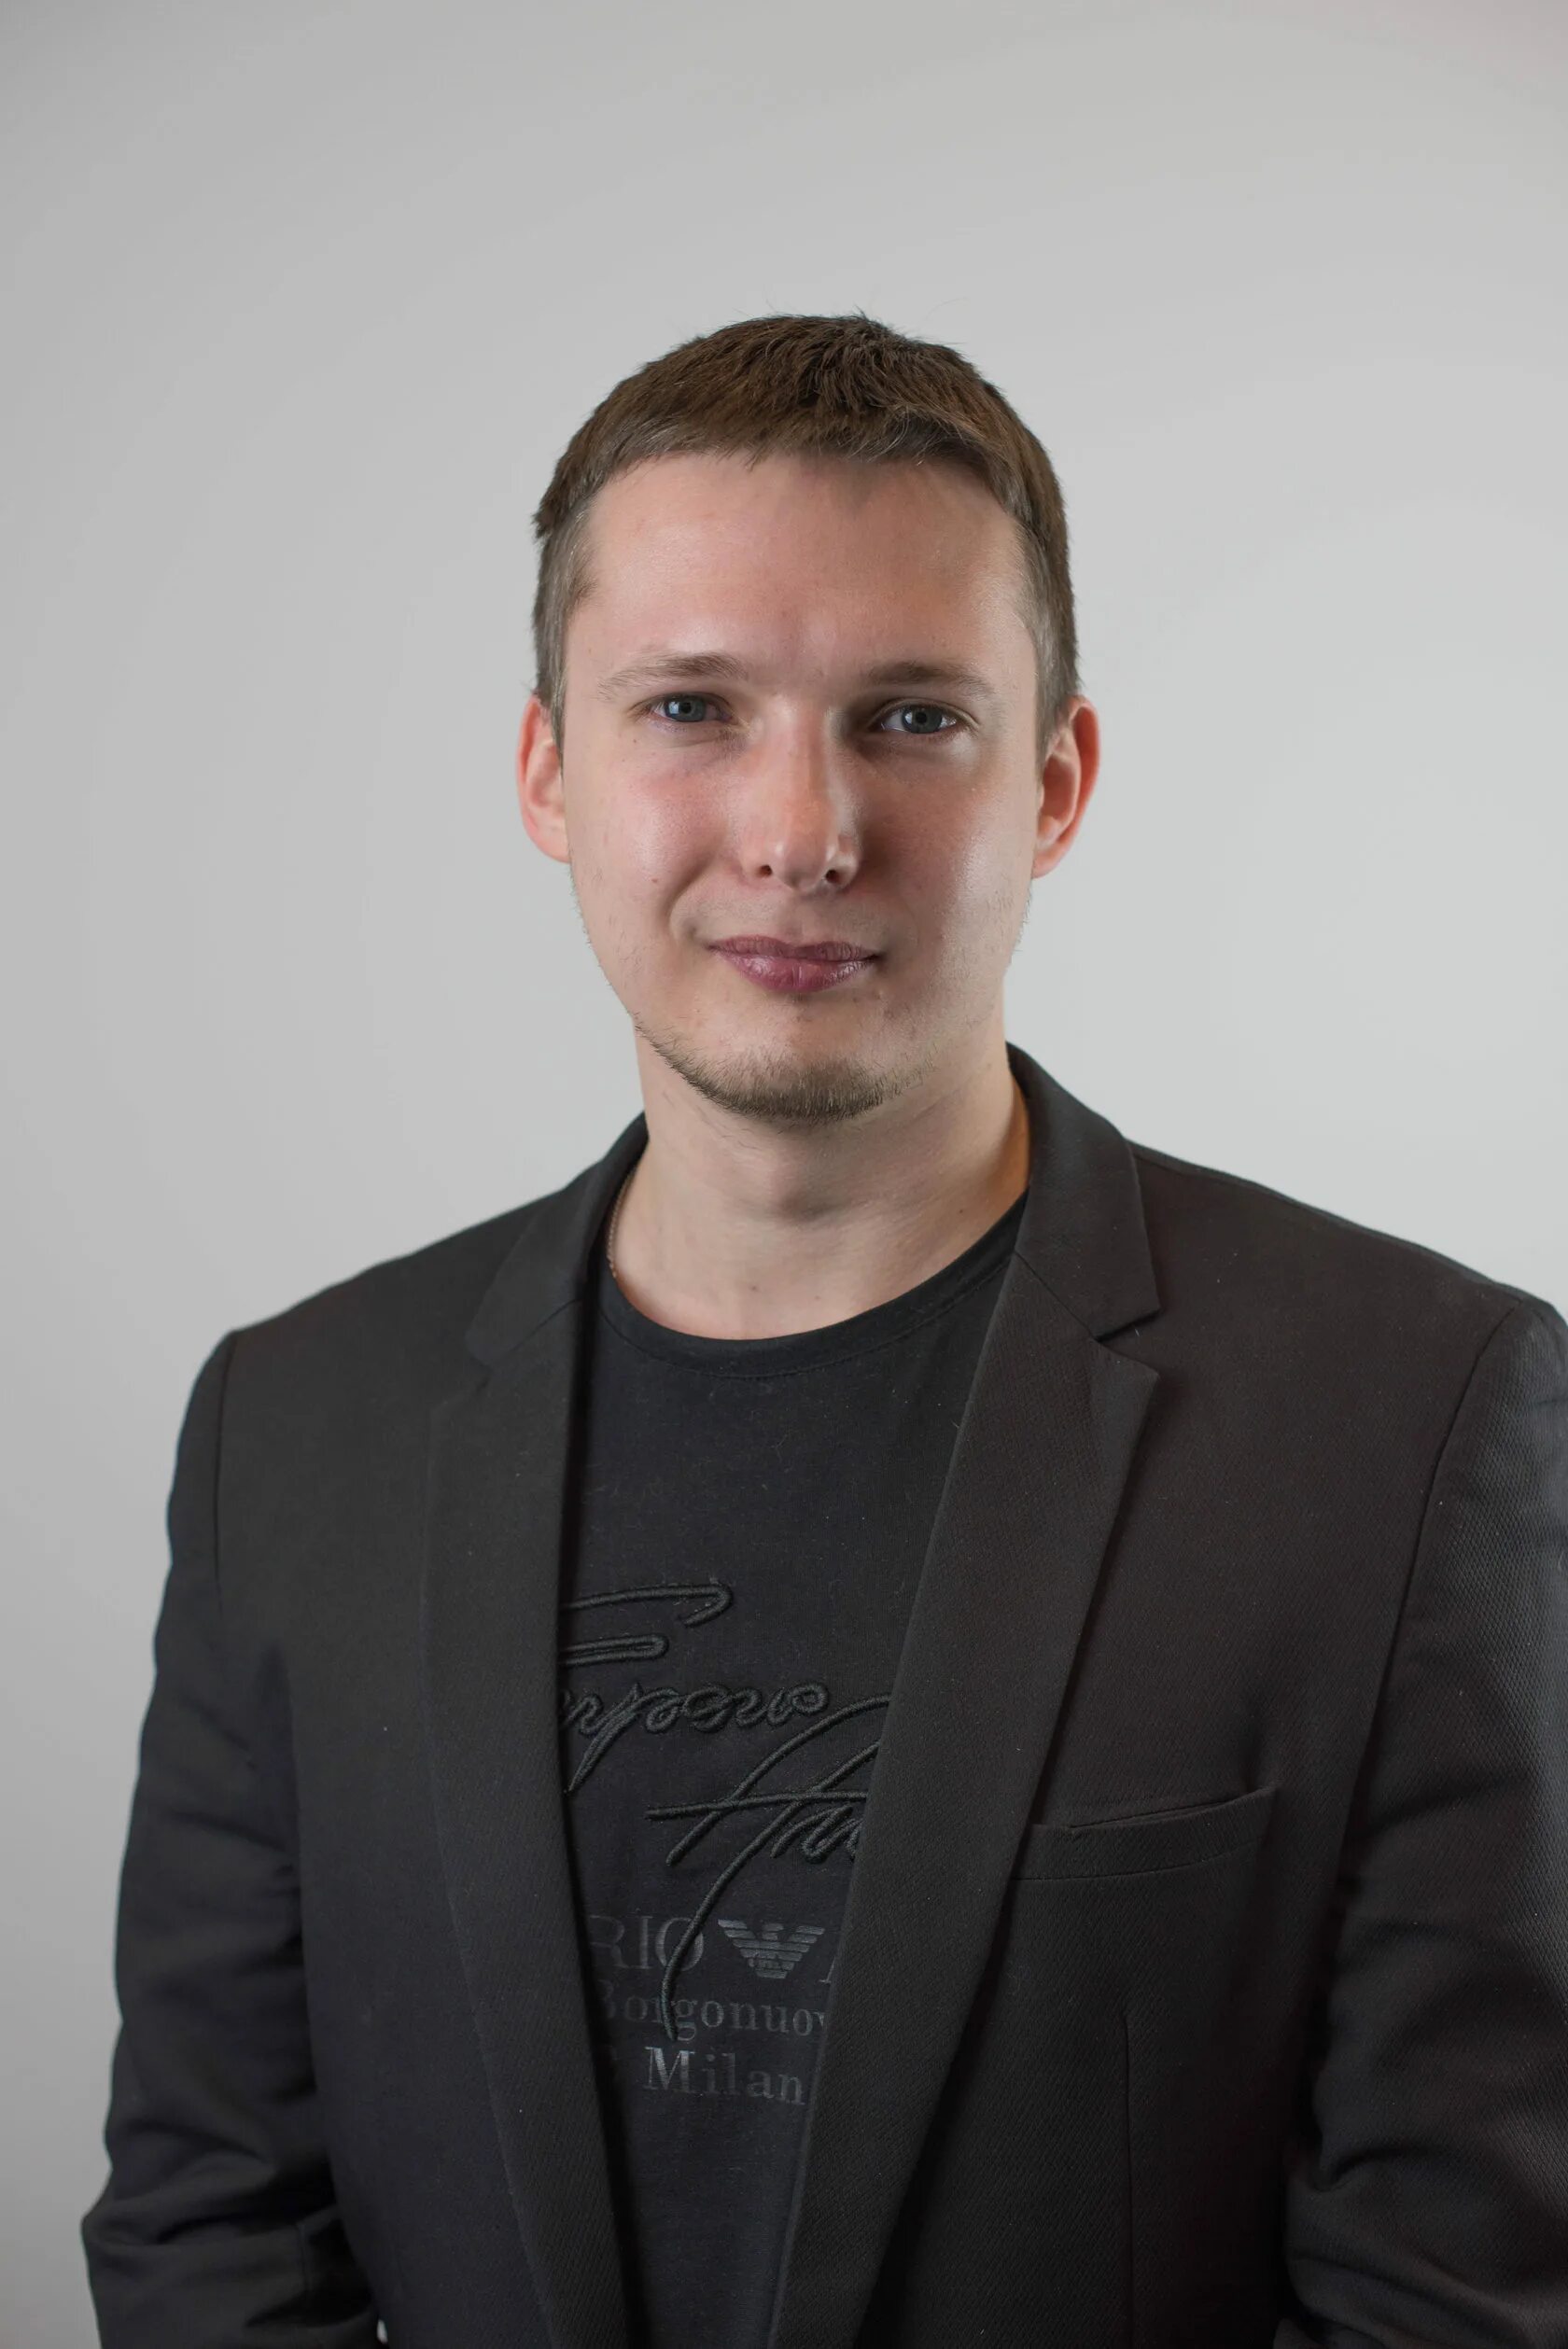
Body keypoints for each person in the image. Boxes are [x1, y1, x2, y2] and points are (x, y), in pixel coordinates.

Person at [81, 311, 1568, 2349]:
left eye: (913, 716)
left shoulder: (1416, 1421)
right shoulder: (293, 1431)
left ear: (1057, 780)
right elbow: (211, 2225)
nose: (802, 829)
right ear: (550, 771)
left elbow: (1456, 2294)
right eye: (692, 706)